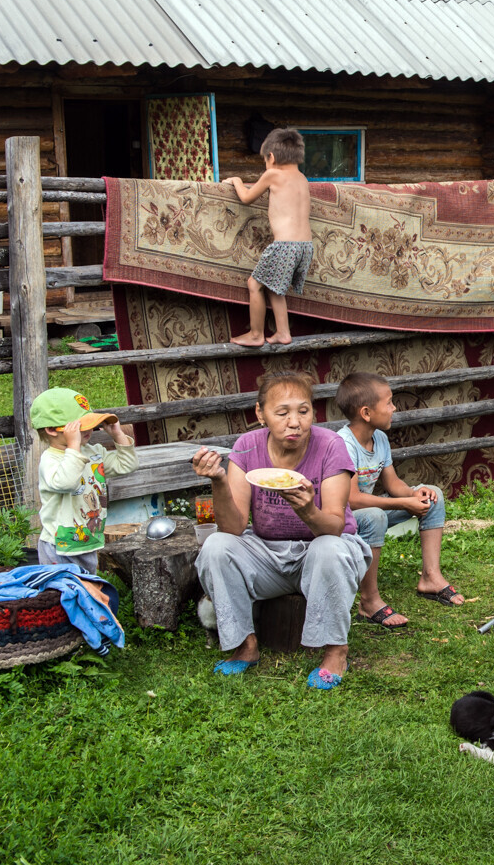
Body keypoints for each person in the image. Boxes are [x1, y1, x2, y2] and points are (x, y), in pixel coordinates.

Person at [190, 370, 369, 691]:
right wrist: (218, 480)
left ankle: (335, 651)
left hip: (326, 551)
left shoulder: (331, 446)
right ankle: (245, 646)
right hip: (267, 553)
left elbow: (334, 524)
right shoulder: (246, 447)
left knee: (329, 548)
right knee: (216, 546)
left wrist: (306, 509)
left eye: (303, 410)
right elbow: (232, 527)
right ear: (261, 414)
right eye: (282, 412)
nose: (295, 422)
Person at [332, 371, 466, 629]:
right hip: (343, 519)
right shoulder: (343, 444)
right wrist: (403, 504)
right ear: (366, 413)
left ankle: (431, 577)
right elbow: (352, 500)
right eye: (389, 402)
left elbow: (392, 483)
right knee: (374, 515)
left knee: (432, 494)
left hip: (369, 510)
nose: (395, 408)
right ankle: (368, 601)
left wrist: (414, 494)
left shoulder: (379, 438)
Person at [30, 387, 138, 574]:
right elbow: (67, 482)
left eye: (91, 423)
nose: (89, 429)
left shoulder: (93, 452)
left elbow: (126, 465)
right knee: (62, 593)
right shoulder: (50, 459)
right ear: (52, 430)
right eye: (80, 426)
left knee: (87, 588)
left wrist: (118, 436)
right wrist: (73, 447)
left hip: (88, 540)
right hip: (59, 545)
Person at [227, 127, 313, 347]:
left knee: (254, 284)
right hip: (305, 247)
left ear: (272, 157)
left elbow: (246, 197)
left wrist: (236, 181)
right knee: (275, 287)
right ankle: (283, 332)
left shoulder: (273, 174)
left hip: (285, 246)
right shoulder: (302, 178)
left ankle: (256, 334)